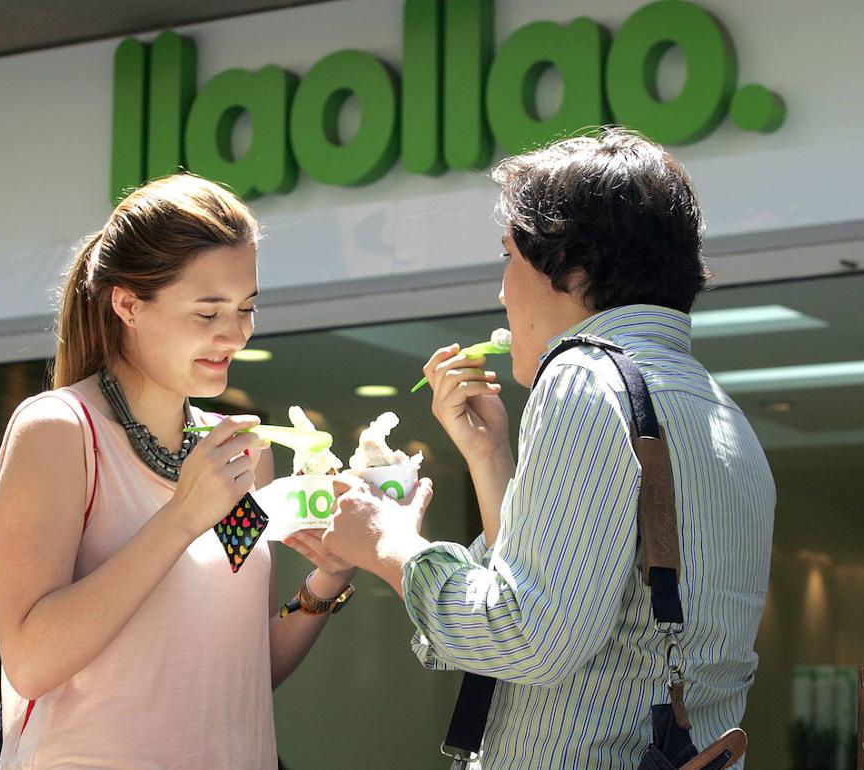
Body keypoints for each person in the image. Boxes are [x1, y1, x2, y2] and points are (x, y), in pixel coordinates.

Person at [321, 127, 776, 769]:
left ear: (573, 265)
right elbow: (580, 600)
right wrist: (491, 457)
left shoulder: (584, 376)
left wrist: (391, 547)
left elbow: (527, 635)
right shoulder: (715, 407)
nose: (502, 292)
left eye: (510, 256)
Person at [0, 173, 354, 770]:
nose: (235, 333)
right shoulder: (60, 429)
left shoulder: (242, 453)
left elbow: (243, 669)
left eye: (246, 308)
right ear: (128, 303)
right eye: (208, 310)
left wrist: (326, 581)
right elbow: (30, 663)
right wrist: (183, 516)